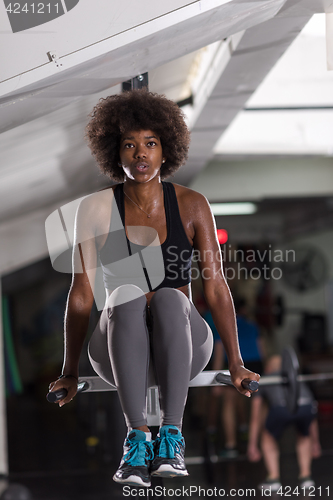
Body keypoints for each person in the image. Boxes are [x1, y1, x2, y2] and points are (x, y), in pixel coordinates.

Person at [48, 89, 259, 488]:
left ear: (166, 150)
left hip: (181, 345)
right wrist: (69, 372)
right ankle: (137, 440)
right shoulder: (93, 210)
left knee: (168, 297)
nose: (140, 154)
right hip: (117, 352)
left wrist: (235, 361)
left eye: (150, 144)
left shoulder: (193, 204)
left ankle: (172, 437)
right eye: (129, 145)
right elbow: (80, 297)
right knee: (123, 296)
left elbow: (215, 288)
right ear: (115, 152)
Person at [247, 355, 321, 492]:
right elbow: (312, 415)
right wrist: (316, 443)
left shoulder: (264, 379)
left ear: (268, 368)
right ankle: (306, 478)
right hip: (306, 408)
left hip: (281, 408)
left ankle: (274, 479)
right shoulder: (298, 379)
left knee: (267, 437)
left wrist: (252, 445)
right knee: (304, 435)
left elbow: (255, 417)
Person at [205, 298, 263, 457]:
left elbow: (218, 353)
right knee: (245, 398)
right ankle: (246, 430)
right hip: (254, 365)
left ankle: (231, 445)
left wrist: (215, 380)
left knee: (229, 402)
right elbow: (261, 349)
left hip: (233, 365)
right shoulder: (253, 326)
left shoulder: (222, 327)